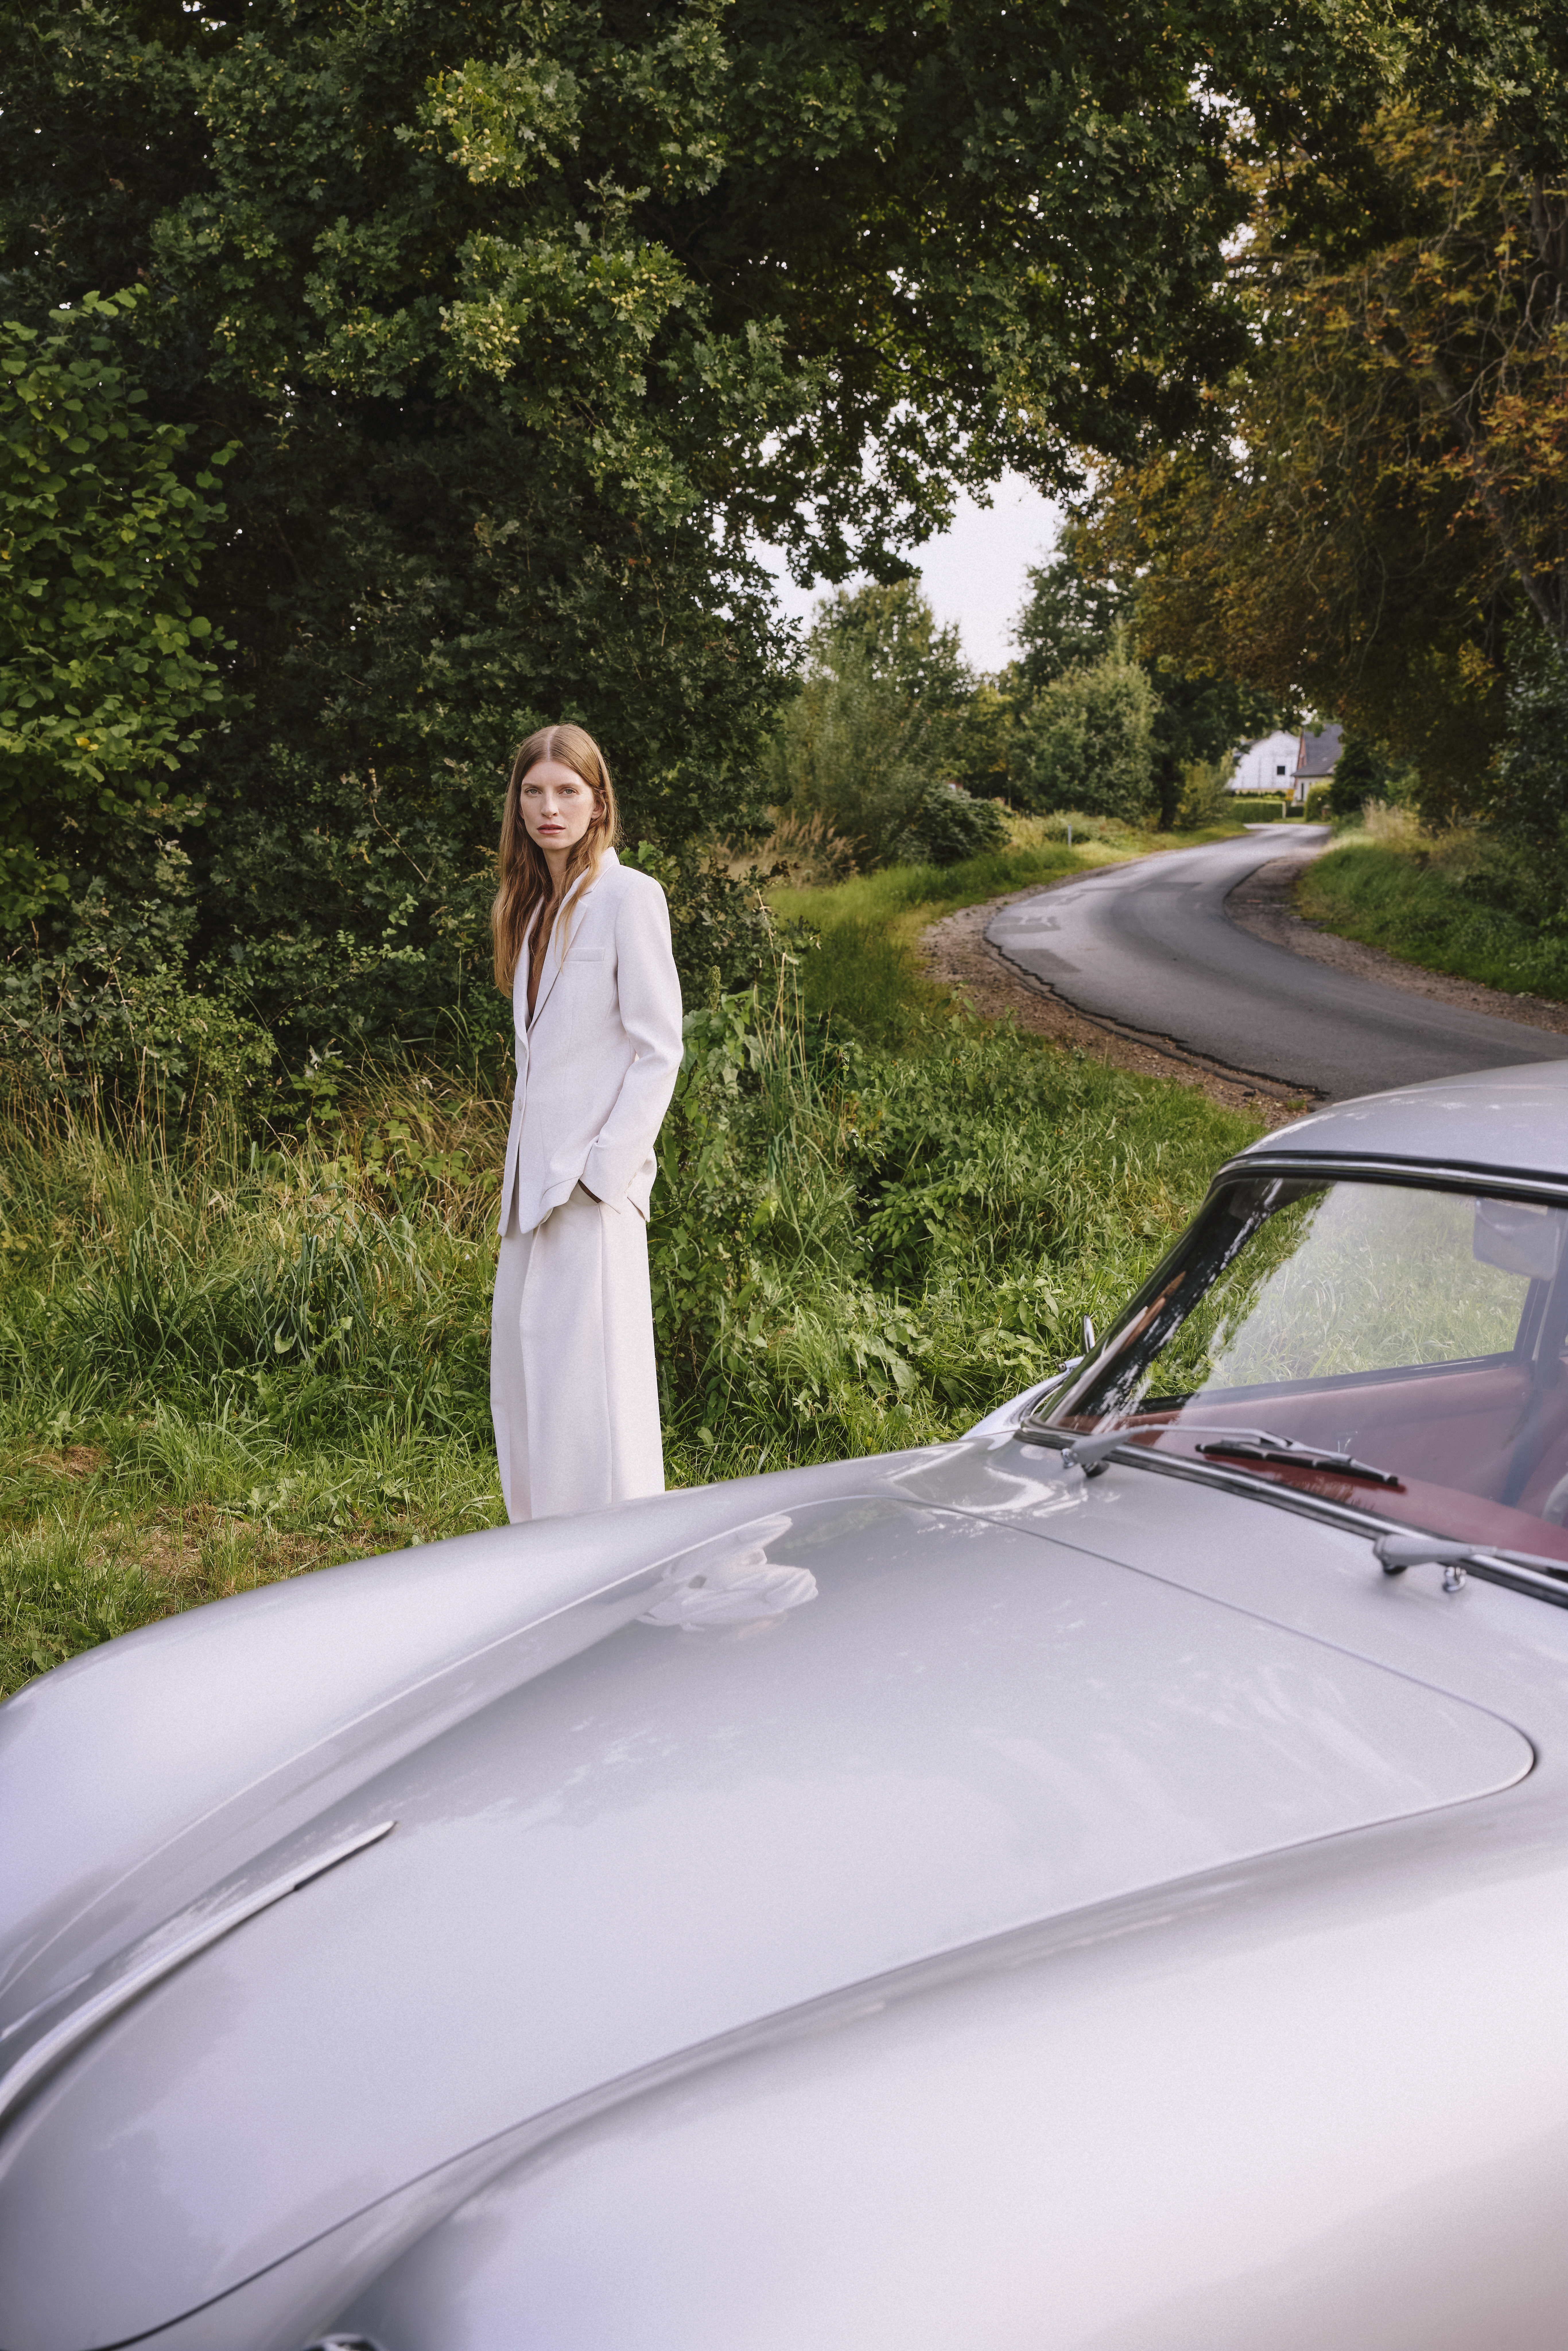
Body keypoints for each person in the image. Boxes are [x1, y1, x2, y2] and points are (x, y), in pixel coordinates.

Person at [489, 723, 683, 1522]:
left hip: (590, 1190)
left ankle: (620, 1557)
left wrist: (601, 1177)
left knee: (598, 1399)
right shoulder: (532, 908)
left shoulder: (631, 896)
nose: (550, 808)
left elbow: (659, 1049)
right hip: (530, 1192)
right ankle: (538, 1549)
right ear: (518, 805)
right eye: (534, 792)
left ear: (598, 802)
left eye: (568, 791)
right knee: (528, 1384)